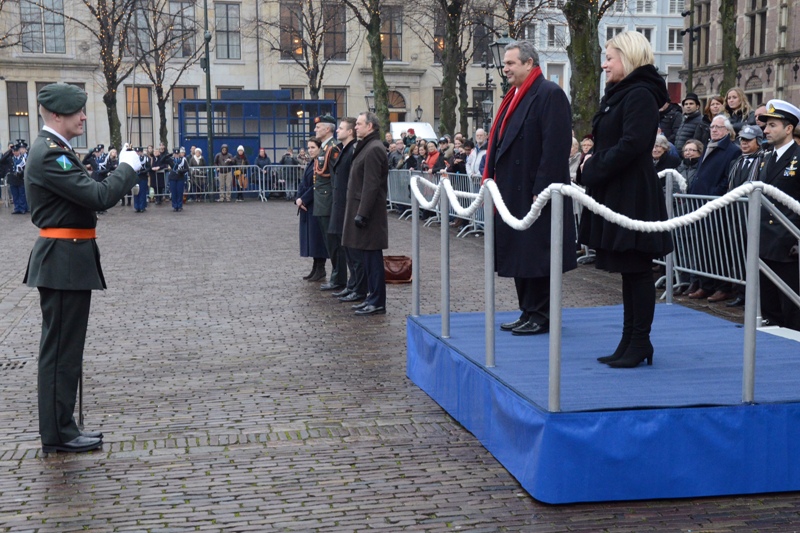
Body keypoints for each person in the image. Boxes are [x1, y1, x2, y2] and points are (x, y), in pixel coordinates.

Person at [24, 83, 142, 453]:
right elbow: (97, 196)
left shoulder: (56, 150)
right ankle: (58, 434)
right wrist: (126, 169)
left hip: (68, 256)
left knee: (66, 350)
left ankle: (64, 427)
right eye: (77, 111)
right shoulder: (50, 154)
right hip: (63, 258)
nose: (84, 116)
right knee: (60, 351)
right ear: (56, 115)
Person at [577, 31, 673, 368]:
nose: (604, 64)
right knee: (629, 271)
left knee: (638, 268)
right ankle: (629, 339)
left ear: (628, 58)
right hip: (618, 189)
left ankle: (640, 341)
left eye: (610, 57)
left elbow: (632, 144)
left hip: (633, 193)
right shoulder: (621, 94)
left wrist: (593, 168)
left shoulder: (639, 95)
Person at [482, 39, 576, 336]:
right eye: (505, 63)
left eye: (510, 63)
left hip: (536, 192)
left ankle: (542, 314)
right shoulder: (514, 96)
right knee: (519, 253)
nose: (505, 68)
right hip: (512, 189)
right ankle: (527, 309)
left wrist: (544, 187)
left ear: (529, 63)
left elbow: (555, 145)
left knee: (537, 255)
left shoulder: (550, 94)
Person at [685, 115, 741, 302]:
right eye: (712, 127)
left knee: (717, 248)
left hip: (715, 207)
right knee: (702, 247)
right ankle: (705, 284)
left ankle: (722, 287)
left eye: (718, 127)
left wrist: (713, 195)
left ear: (727, 130)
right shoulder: (709, 145)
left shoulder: (732, 150)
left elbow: (728, 179)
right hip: (700, 205)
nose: (714, 130)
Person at [755, 100, 800, 330]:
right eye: (766, 126)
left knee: (792, 309)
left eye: (772, 125)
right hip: (765, 242)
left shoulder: (798, 158)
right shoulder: (765, 158)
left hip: (789, 244)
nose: (766, 130)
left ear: (788, 128)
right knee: (770, 310)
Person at [342, 112, 389, 316]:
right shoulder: (368, 147)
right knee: (367, 258)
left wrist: (362, 214)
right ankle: (371, 297)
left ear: (370, 126)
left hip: (370, 214)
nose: (356, 127)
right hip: (363, 210)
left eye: (360, 124)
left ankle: (377, 301)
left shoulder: (374, 149)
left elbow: (371, 185)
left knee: (373, 259)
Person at [722, 124, 766, 308]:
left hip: (754, 215)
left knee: (753, 254)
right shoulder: (736, 161)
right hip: (736, 216)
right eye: (742, 140)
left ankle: (755, 294)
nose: (744, 143)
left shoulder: (764, 161)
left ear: (758, 141)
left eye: (748, 140)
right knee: (738, 254)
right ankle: (742, 292)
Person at [328, 117, 367, 303]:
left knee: (353, 250)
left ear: (350, 132)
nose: (337, 131)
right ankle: (352, 285)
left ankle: (358, 288)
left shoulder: (352, 150)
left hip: (348, 205)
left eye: (341, 128)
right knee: (346, 248)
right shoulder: (344, 150)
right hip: (341, 204)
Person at [312, 115, 345, 291]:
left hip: (328, 201)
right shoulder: (325, 148)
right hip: (322, 200)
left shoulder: (332, 149)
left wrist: (335, 203)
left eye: (318, 127)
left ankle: (338, 277)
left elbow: (335, 178)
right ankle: (337, 276)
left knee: (334, 242)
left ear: (327, 129)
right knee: (329, 241)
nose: (315, 130)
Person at [295, 137, 329, 282]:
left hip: (316, 205)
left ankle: (320, 268)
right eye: (309, 147)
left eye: (313, 147)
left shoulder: (320, 163)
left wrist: (304, 199)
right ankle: (315, 267)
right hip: (307, 206)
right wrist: (297, 198)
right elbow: (303, 183)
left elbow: (317, 186)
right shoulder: (310, 163)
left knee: (318, 239)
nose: (310, 150)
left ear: (320, 148)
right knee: (311, 238)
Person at [9, 142, 29, 214]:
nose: (15, 152)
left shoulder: (23, 158)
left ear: (19, 151)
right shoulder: (10, 158)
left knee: (21, 193)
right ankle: (17, 208)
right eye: (14, 151)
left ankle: (22, 208)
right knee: (15, 194)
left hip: (20, 178)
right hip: (13, 179)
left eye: (16, 151)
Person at [169, 147, 189, 211]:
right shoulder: (171, 160)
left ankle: (180, 205)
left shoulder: (183, 160)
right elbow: (163, 160)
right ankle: (175, 206)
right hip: (172, 178)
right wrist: (169, 155)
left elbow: (187, 169)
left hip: (180, 177)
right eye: (175, 153)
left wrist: (181, 171)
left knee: (180, 192)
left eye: (177, 154)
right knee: (174, 192)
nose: (176, 155)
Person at [134, 146, 151, 212]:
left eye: (139, 152)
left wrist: (144, 171)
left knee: (142, 192)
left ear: (141, 152)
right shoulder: (133, 159)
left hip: (143, 176)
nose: (138, 153)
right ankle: (136, 206)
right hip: (135, 177)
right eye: (137, 152)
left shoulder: (146, 158)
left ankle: (142, 206)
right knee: (136, 192)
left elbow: (148, 167)